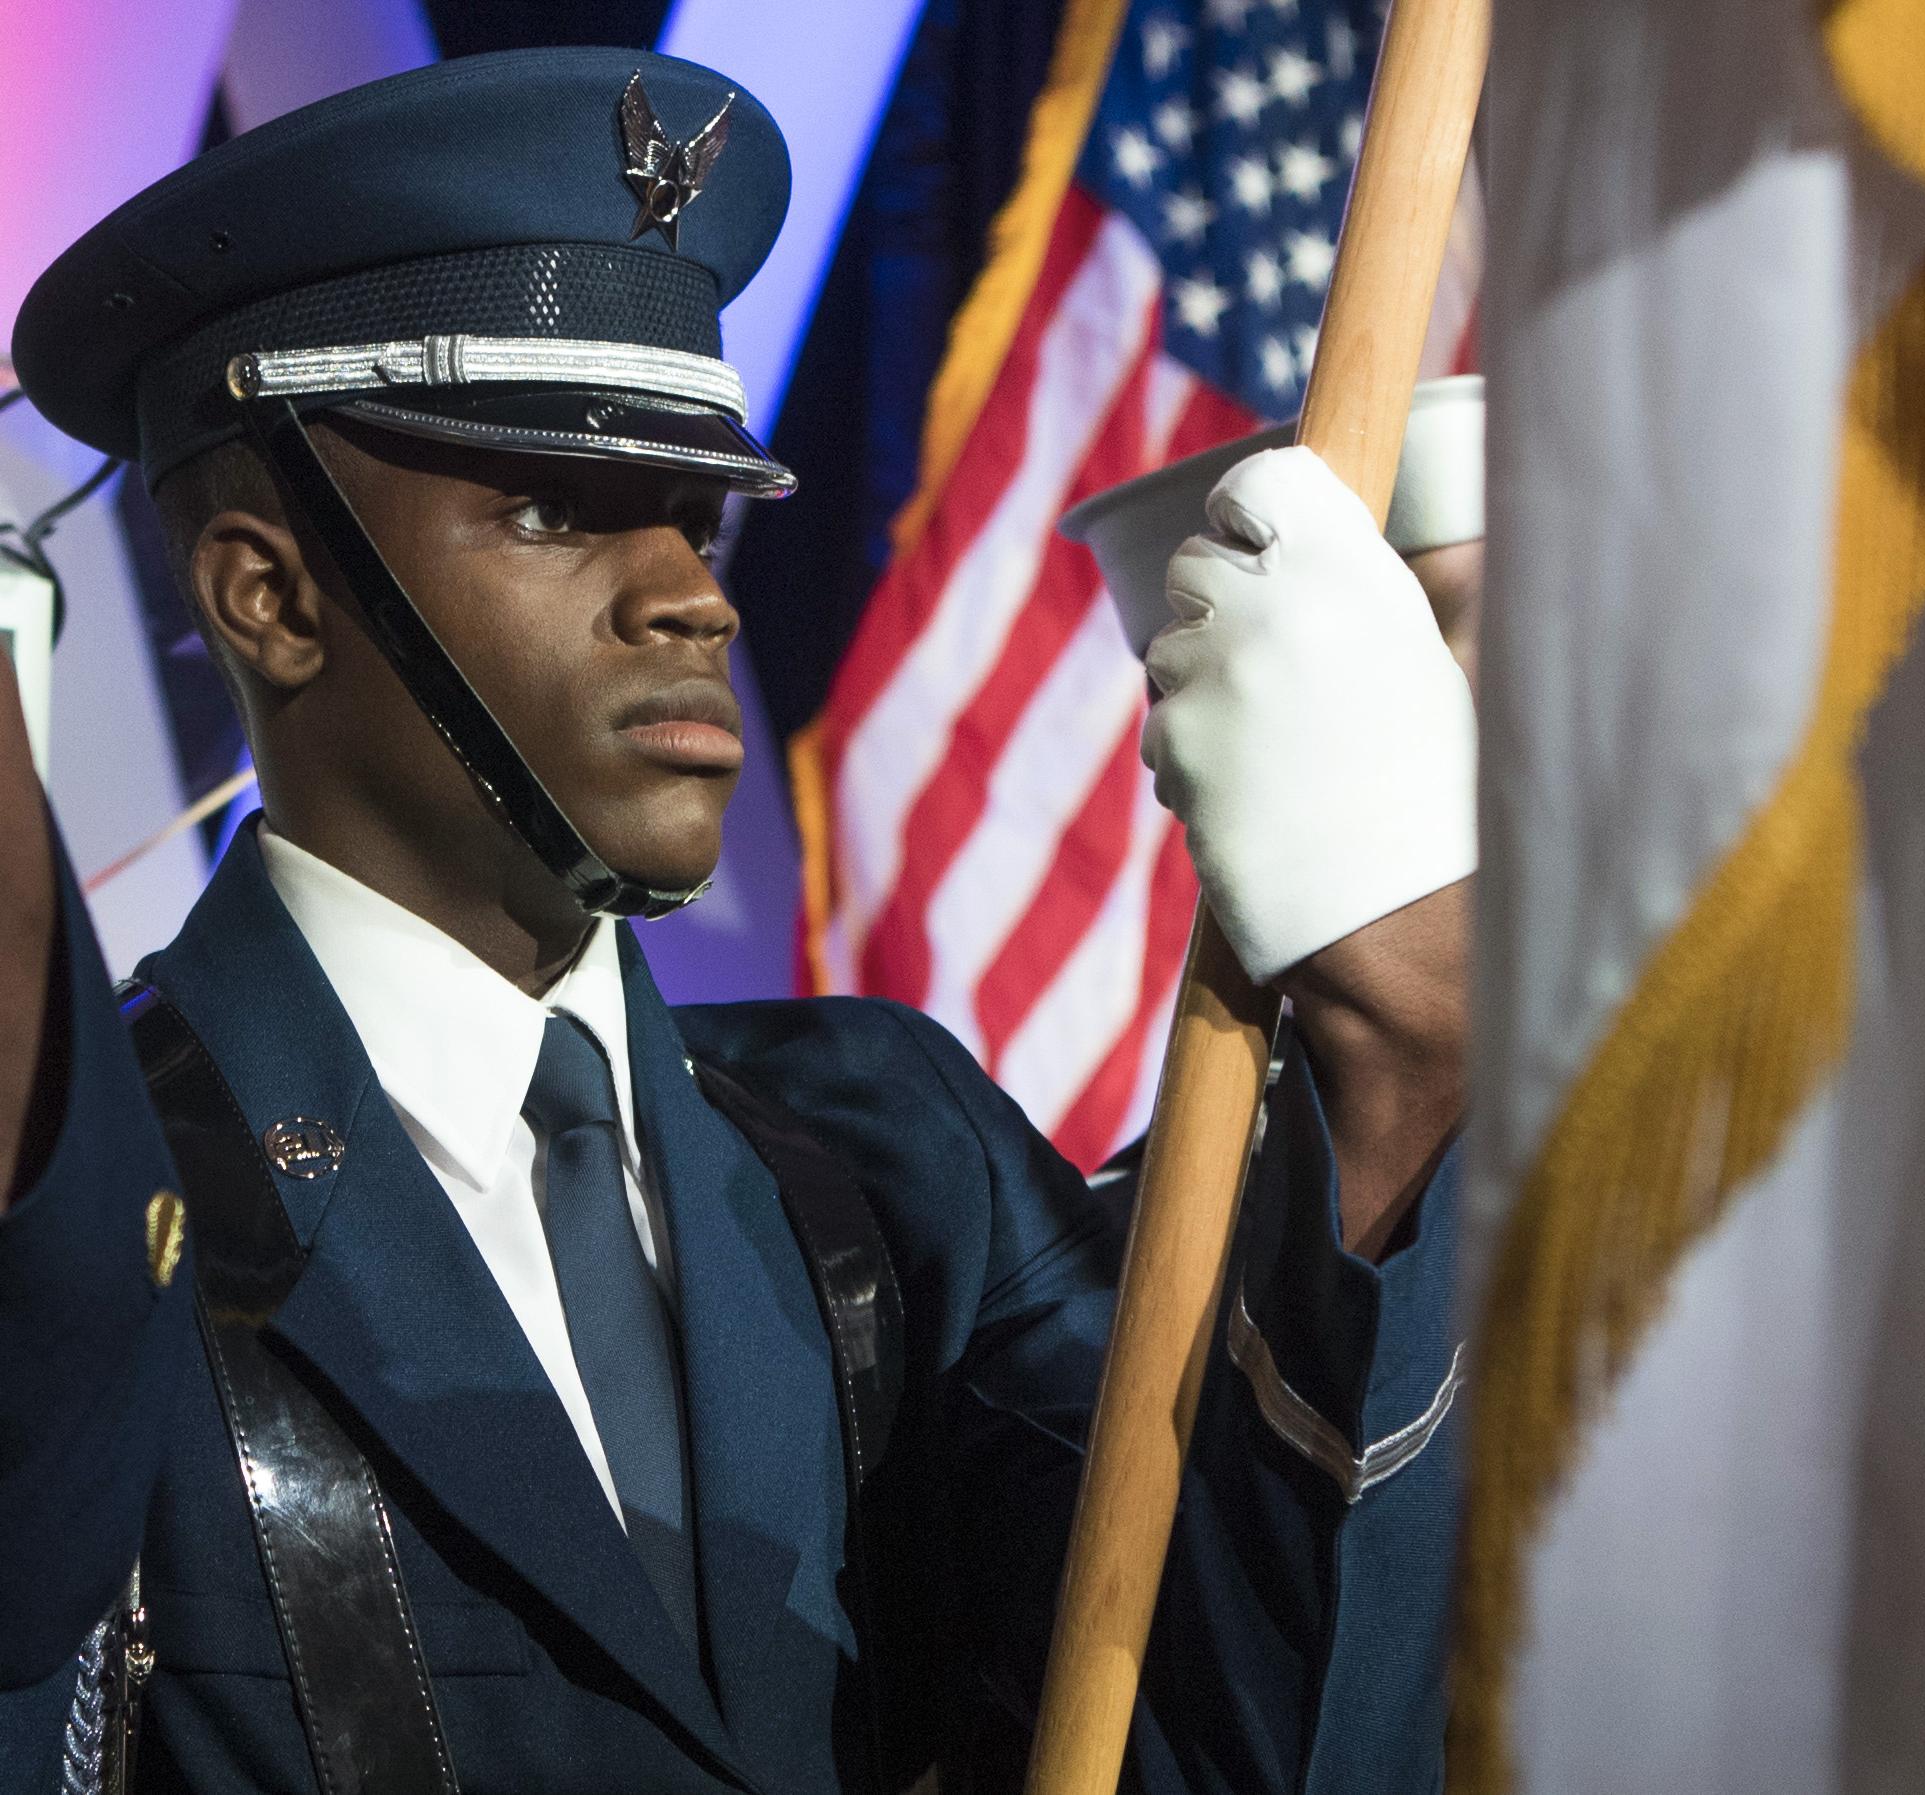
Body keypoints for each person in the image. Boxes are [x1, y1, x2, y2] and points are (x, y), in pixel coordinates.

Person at [0, 47, 1479, 1795]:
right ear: (271, 593)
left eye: (695, 515)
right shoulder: (97, 1206)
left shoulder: (893, 1159)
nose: (691, 595)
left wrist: (1395, 1079)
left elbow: (1234, 1745)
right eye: (554, 507)